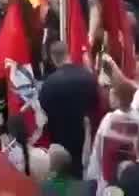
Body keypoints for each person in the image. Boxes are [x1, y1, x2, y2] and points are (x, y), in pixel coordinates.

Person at [38, 40, 98, 178]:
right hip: (84, 138)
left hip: (60, 140)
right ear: (68, 53)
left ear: (52, 58)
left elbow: (42, 114)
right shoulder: (88, 77)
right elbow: (95, 105)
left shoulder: (49, 84)